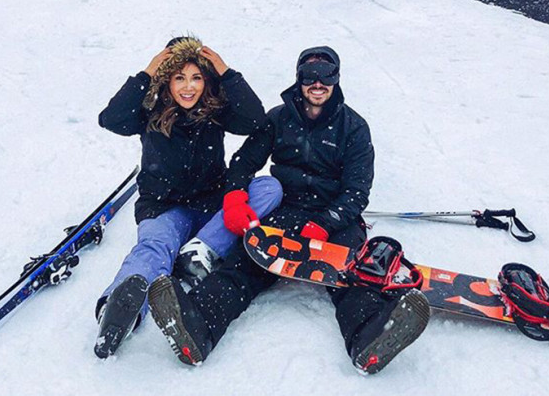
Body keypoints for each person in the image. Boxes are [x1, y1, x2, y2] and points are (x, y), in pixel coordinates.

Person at [147, 46, 430, 374]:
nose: (318, 83)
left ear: (336, 79)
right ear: (299, 79)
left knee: (352, 276)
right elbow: (243, 162)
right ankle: (195, 327)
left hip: (333, 217)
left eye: (327, 75)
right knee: (243, 265)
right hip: (286, 209)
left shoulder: (353, 127)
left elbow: (357, 191)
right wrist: (235, 197)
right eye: (310, 76)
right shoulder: (278, 118)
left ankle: (371, 338)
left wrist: (326, 223)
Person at [93, 36, 283, 359]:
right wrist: (146, 74)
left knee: (270, 189)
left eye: (196, 78)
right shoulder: (148, 111)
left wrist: (226, 73)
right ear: (166, 80)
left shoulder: (214, 111)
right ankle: (119, 309)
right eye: (179, 77)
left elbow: (255, 119)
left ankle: (199, 251)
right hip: (165, 209)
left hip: (211, 207)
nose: (188, 87)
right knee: (154, 248)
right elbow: (109, 119)